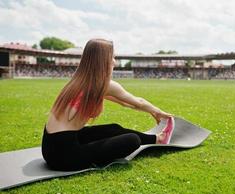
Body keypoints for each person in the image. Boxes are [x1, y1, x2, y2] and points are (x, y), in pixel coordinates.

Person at [42, 38, 174, 171]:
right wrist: (158, 111)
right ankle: (157, 139)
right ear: (102, 60)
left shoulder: (79, 80)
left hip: (50, 145)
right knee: (132, 140)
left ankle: (157, 139)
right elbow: (138, 102)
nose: (114, 61)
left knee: (113, 128)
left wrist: (151, 111)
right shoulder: (102, 84)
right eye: (113, 57)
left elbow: (125, 103)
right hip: (63, 156)